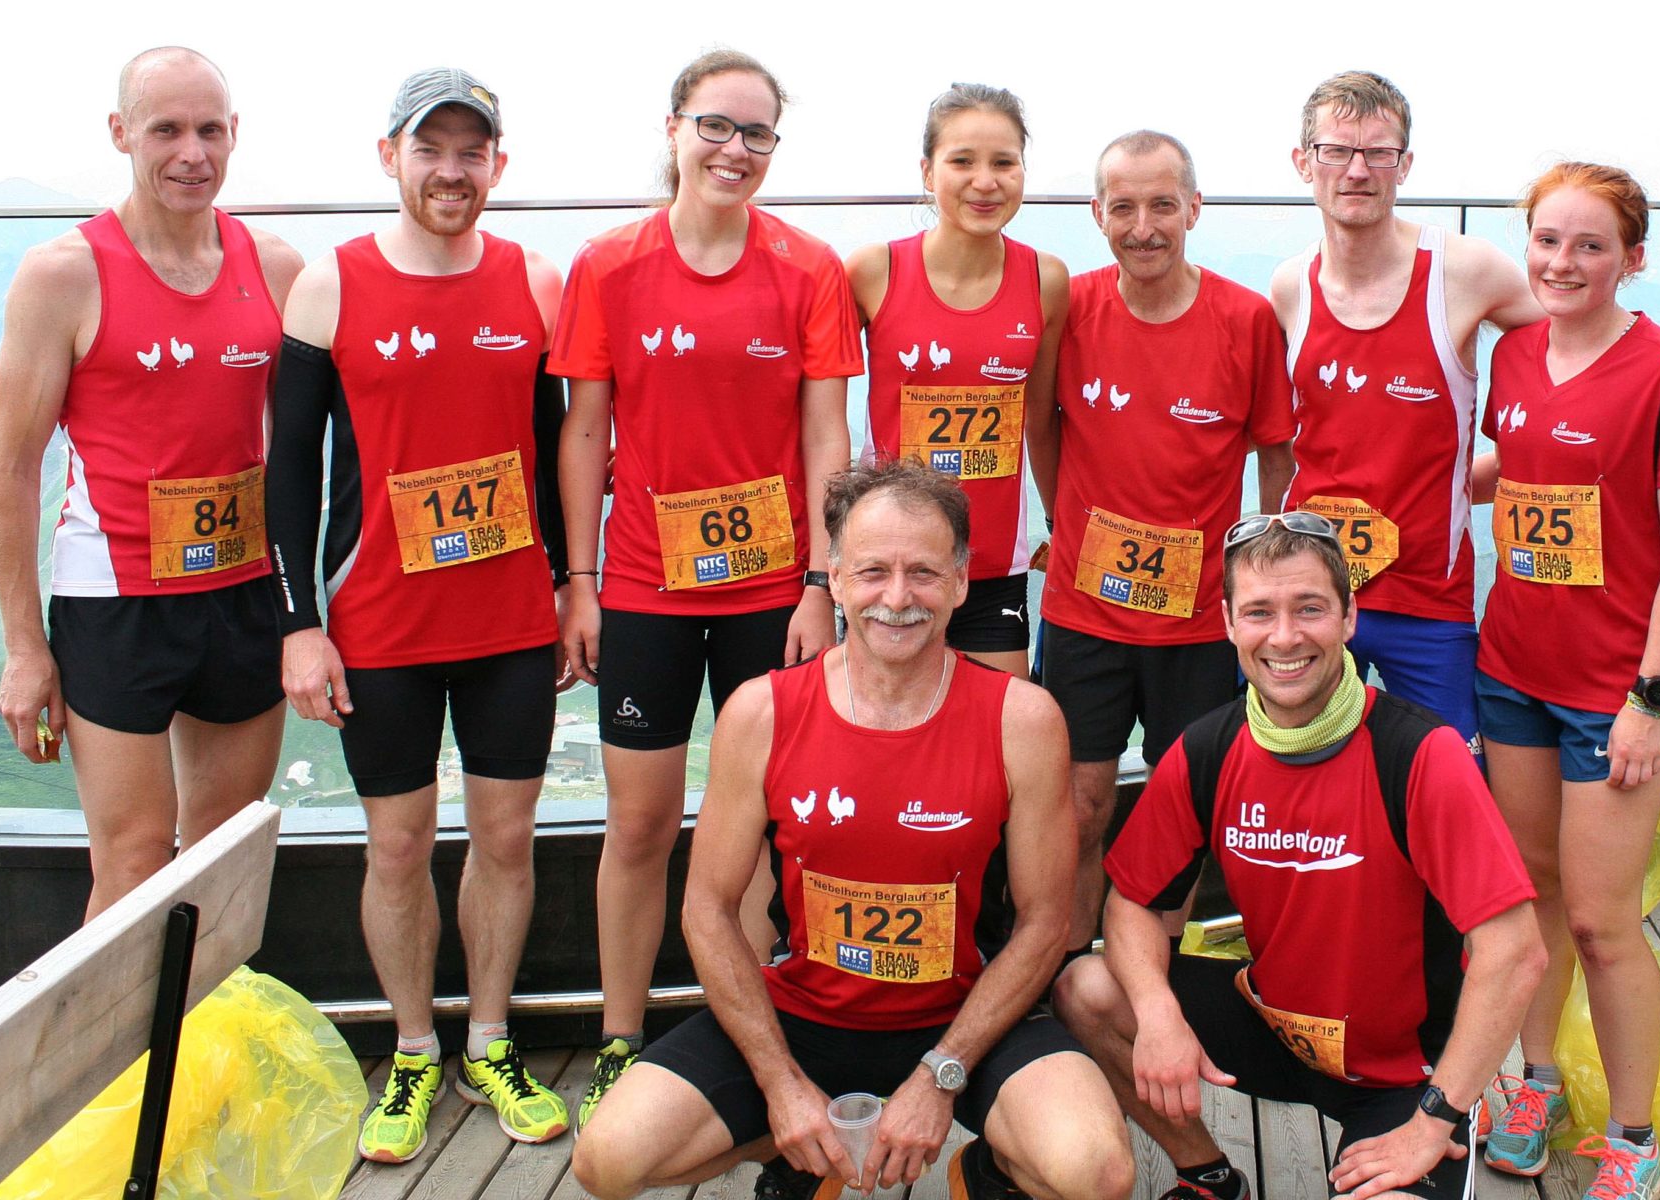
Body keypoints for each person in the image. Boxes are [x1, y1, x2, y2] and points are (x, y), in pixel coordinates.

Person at [571, 459, 1133, 1200]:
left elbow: (1044, 923)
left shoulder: (1022, 720)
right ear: (833, 578)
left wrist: (940, 1075)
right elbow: (706, 910)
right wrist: (781, 1084)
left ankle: (986, 1171)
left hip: (968, 1016)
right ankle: (801, 1151)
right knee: (607, 1161)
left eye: (923, 573)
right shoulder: (759, 712)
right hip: (800, 1015)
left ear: (962, 582)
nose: (897, 598)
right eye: (872, 572)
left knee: (1097, 1174)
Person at [1054, 513, 1545, 1200]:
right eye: (1260, 612)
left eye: (1309, 608)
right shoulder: (1208, 749)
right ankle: (1208, 1176)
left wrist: (1435, 1119)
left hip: (1404, 1077)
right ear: (1229, 623)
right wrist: (1159, 1012)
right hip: (1272, 1026)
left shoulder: (1420, 754)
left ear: (1349, 618)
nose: (1284, 637)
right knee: (1088, 988)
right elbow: (1134, 902)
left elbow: (1515, 951)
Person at [265, 67, 570, 1162]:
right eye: (429, 148)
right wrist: (299, 623)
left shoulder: (535, 281)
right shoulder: (330, 286)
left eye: (470, 151)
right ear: (389, 156)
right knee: (396, 845)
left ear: (498, 163)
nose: (452, 171)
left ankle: (488, 1040)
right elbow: (288, 474)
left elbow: (557, 453)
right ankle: (410, 1051)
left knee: (506, 838)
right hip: (379, 622)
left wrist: (571, 584)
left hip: (510, 623)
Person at [553, 49, 862, 1125]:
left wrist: (823, 583)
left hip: (775, 592)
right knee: (640, 824)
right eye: (716, 126)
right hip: (644, 585)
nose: (735, 149)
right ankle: (618, 1037)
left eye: (757, 133)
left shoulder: (808, 268)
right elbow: (584, 432)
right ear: (675, 127)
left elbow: (827, 435)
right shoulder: (608, 264)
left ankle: (761, 1031)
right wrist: (580, 581)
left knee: (772, 828)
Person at [1272, 70, 1660, 751]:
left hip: (1429, 598)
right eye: (1336, 150)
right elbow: (1275, 440)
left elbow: (1580, 321)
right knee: (1305, 767)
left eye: (1379, 152)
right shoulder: (1288, 286)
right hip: (1316, 589)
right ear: (1304, 162)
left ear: (1405, 164)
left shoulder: (1468, 271)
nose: (1357, 170)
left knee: (1448, 782)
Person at [0, 46, 301, 920]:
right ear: (121, 133)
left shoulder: (275, 266)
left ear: (235, 135)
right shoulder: (63, 273)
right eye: (167, 130)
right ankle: (108, 1025)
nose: (192, 153)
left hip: (241, 590)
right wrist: (24, 648)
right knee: (131, 861)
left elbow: (312, 449)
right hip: (114, 599)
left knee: (221, 852)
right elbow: (10, 467)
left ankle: (195, 1019)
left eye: (210, 131)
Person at [1471, 164, 1660, 1197]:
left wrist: (1650, 700)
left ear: (1633, 259)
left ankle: (1634, 1139)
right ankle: (1537, 1085)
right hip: (1511, 671)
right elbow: (1514, 470)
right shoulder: (1515, 353)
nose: (1562, 262)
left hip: (1614, 693)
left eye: (1590, 245)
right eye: (1547, 240)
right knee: (1532, 893)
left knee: (1602, 923)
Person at [1028, 131, 1295, 953]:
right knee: (1079, 806)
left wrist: (1261, 569)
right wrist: (1061, 524)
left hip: (1197, 621)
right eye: (1124, 208)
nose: (1143, 227)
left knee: (1184, 811)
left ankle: (1151, 975)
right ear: (1097, 214)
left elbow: (1275, 452)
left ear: (1194, 209)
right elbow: (1041, 425)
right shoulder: (1071, 308)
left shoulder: (1246, 319)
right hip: (1083, 611)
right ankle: (1068, 970)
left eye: (1162, 206)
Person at [846, 82, 1069, 679]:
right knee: (883, 719)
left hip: (992, 562)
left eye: (1004, 163)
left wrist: (1058, 523)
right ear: (928, 171)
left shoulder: (1045, 280)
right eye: (962, 161)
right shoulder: (872, 271)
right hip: (887, 562)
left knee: (999, 724)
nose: (985, 182)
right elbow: (813, 406)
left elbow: (1041, 420)